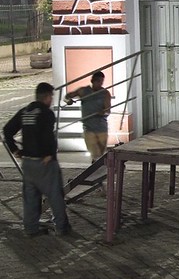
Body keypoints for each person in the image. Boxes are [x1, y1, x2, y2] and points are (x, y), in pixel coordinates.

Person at [3, 82, 70, 237]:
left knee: (30, 197)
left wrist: (15, 150)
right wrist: (49, 154)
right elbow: (48, 136)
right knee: (55, 195)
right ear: (47, 96)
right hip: (44, 162)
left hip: (28, 162)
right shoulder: (46, 113)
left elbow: (7, 130)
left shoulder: (25, 111)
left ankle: (31, 229)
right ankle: (61, 227)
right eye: (51, 96)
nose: (52, 100)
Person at [65, 71, 111, 161]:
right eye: (98, 81)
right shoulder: (84, 91)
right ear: (92, 81)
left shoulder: (105, 93)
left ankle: (98, 168)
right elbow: (67, 96)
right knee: (95, 153)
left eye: (101, 81)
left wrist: (102, 113)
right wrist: (68, 101)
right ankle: (94, 168)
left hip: (102, 127)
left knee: (101, 153)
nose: (100, 83)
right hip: (88, 127)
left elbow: (108, 111)